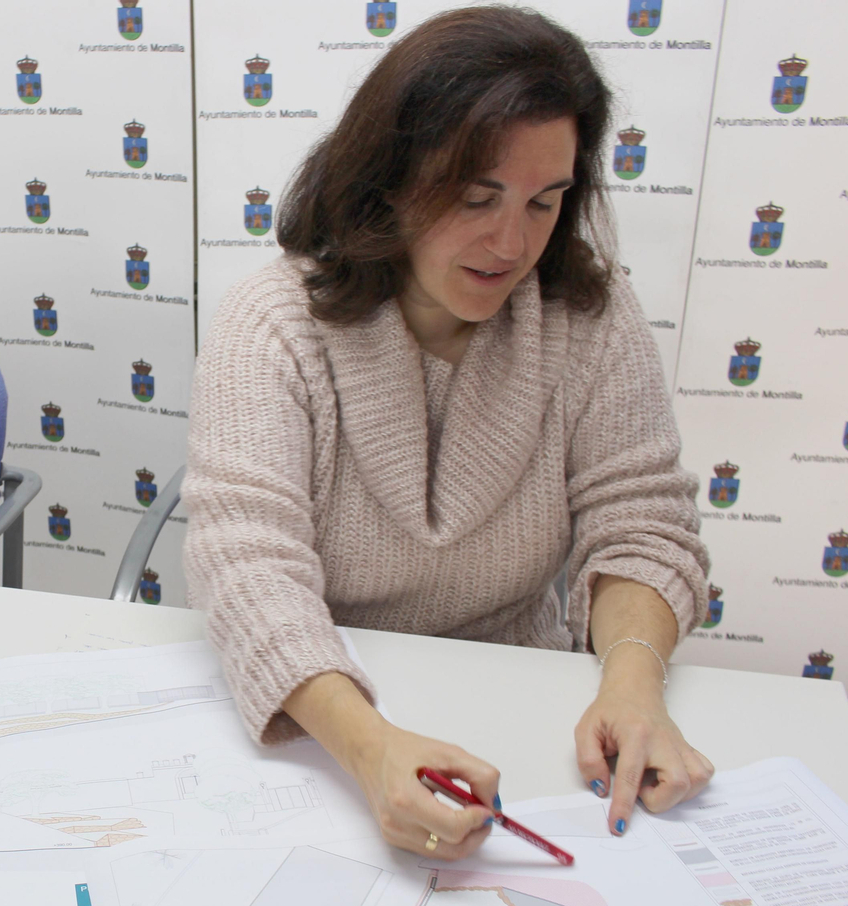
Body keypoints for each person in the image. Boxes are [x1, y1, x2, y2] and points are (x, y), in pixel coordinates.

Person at [183, 7, 711, 859]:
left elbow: (642, 523)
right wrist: (367, 744)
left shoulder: (590, 320)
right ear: (391, 178)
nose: (512, 243)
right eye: (476, 199)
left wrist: (634, 682)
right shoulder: (274, 323)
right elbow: (248, 562)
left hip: (523, 711)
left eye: (546, 201)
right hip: (323, 719)